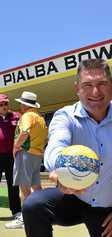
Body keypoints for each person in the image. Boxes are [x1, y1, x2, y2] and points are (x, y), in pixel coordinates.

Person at [21, 58, 112, 237]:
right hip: (73, 195)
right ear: (77, 88)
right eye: (87, 85)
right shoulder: (65, 116)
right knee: (34, 205)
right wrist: (59, 167)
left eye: (102, 83)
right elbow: (56, 145)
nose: (95, 91)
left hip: (109, 207)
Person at [5, 91, 48, 229]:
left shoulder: (27, 116)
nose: (20, 105)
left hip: (25, 154)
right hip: (37, 156)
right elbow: (46, 137)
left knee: (24, 187)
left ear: (24, 104)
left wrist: (15, 147)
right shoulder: (40, 118)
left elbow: (24, 132)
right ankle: (42, 213)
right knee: (36, 186)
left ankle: (26, 217)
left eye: (21, 103)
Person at [0, 94, 22, 220]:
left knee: (13, 184)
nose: (3, 106)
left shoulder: (17, 116)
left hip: (12, 156)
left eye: (5, 104)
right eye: (1, 104)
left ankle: (16, 211)